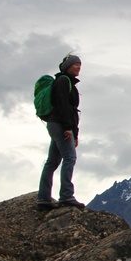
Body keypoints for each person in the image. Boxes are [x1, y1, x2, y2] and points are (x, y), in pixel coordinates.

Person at [36, 54, 85, 210]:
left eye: (80, 65)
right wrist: (68, 128)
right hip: (60, 124)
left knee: (52, 162)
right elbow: (63, 106)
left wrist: (74, 133)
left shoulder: (66, 82)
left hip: (55, 124)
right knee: (70, 157)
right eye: (75, 64)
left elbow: (70, 110)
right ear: (68, 66)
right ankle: (66, 196)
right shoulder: (63, 81)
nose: (78, 67)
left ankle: (43, 199)